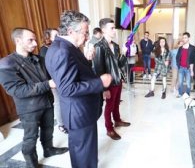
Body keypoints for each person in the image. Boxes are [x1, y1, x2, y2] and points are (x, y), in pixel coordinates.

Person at [45, 11, 112, 168]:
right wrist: (99, 83)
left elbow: (76, 75)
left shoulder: (67, 47)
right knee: (83, 155)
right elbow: (67, 88)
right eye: (85, 32)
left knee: (83, 151)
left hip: (82, 110)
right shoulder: (62, 51)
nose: (87, 36)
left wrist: (87, 61)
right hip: (78, 112)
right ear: (70, 31)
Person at [0, 28, 68, 168]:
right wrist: (47, 84)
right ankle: (31, 163)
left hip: (47, 102)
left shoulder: (38, 59)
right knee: (31, 137)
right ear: (18, 41)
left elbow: (52, 75)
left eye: (35, 39)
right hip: (29, 108)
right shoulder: (6, 64)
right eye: (30, 40)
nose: (35, 43)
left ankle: (48, 149)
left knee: (48, 128)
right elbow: (17, 90)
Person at [93, 18, 131, 140]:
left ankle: (117, 120)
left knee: (116, 103)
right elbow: (99, 69)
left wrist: (124, 54)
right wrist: (104, 89)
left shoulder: (115, 46)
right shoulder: (99, 46)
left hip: (117, 79)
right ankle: (109, 129)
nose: (114, 30)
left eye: (114, 28)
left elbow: (119, 64)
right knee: (109, 106)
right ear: (103, 30)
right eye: (112, 28)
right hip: (108, 83)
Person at [39, 28, 67, 134]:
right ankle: (61, 124)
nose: (58, 36)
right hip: (53, 81)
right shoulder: (44, 50)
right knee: (58, 102)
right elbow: (46, 68)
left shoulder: (57, 46)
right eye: (55, 35)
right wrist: (51, 82)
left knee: (64, 100)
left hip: (61, 78)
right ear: (48, 37)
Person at [176, 32, 195, 97]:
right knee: (180, 82)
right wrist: (178, 65)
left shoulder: (192, 48)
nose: (184, 39)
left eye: (185, 37)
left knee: (188, 83)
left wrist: (192, 69)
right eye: (183, 37)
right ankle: (180, 93)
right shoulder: (180, 48)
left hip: (188, 68)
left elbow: (193, 59)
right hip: (181, 68)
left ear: (188, 38)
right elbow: (177, 57)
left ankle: (187, 94)